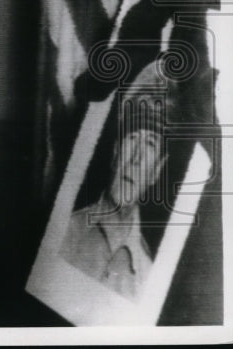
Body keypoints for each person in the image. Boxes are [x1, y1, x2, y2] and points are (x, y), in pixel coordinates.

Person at [60, 75, 169, 301]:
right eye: (132, 138)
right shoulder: (64, 234)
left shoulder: (149, 276)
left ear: (157, 171)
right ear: (116, 151)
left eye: (150, 144)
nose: (136, 158)